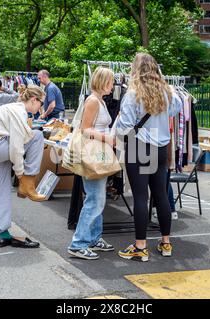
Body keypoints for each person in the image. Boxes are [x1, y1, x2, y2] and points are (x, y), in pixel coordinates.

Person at [116, 53, 182, 262]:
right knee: (161, 194)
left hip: (140, 145)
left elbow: (125, 127)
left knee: (140, 197)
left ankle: (140, 246)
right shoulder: (167, 92)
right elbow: (175, 110)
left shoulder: (133, 93)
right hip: (161, 145)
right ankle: (166, 243)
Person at [0, 85, 47, 248]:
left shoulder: (11, 108)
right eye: (41, 103)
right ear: (34, 100)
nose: (40, 107)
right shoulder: (19, 111)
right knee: (37, 136)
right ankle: (28, 183)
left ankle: (3, 234)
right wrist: (21, 174)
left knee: (3, 188)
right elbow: (16, 148)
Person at [67, 67, 116, 260]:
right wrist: (106, 137)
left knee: (97, 197)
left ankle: (94, 238)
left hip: (98, 152)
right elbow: (84, 129)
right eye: (111, 82)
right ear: (104, 82)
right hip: (93, 152)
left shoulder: (99, 100)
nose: (113, 86)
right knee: (94, 199)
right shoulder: (93, 101)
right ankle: (78, 243)